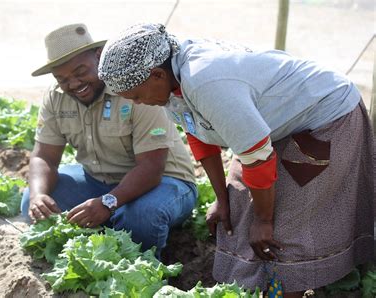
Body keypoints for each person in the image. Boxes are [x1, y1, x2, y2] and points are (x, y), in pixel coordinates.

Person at [98, 23, 374, 296]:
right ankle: (254, 285)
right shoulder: (170, 83)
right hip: (276, 122)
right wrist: (222, 198)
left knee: (285, 222)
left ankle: (288, 288)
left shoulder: (206, 80)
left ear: (156, 74)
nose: (136, 103)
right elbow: (199, 135)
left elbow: (256, 156)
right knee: (240, 200)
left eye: (135, 95)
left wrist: (264, 220)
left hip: (326, 115)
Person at [21, 23, 198, 256]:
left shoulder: (134, 87)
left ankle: (140, 250)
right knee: (32, 203)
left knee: (141, 218)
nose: (73, 84)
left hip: (163, 182)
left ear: (98, 56)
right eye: (62, 79)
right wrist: (38, 195)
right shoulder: (56, 97)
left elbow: (151, 167)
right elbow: (44, 156)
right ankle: (109, 227)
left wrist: (108, 202)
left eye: (80, 72)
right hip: (100, 182)